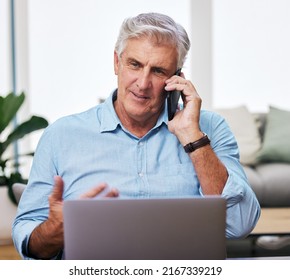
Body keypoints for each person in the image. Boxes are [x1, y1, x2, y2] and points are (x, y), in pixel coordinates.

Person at [12, 12, 260, 260]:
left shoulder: (210, 129)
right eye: (135, 64)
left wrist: (193, 138)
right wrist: (54, 232)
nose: (143, 83)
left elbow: (239, 225)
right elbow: (28, 238)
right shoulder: (61, 135)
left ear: (176, 78)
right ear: (117, 62)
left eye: (159, 70)